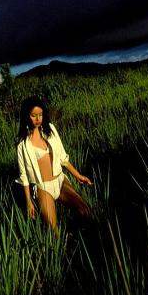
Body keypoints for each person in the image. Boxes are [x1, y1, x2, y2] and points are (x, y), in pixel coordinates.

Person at [16, 96, 92, 230]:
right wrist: (29, 202)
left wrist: (78, 176)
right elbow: (24, 178)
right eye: (34, 115)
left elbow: (63, 158)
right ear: (27, 116)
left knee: (85, 211)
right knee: (53, 229)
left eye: (40, 114)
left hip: (60, 181)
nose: (38, 119)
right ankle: (61, 247)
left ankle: (78, 237)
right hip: (43, 188)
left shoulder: (50, 130)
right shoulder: (23, 145)